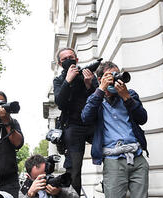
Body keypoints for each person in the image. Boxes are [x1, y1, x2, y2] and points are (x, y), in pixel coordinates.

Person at [81, 61, 149, 198]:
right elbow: (86, 118)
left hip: (137, 158)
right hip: (113, 160)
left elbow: (143, 119)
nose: (114, 78)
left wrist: (127, 98)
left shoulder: (130, 94)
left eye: (116, 75)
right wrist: (100, 90)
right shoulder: (95, 100)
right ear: (100, 79)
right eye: (109, 76)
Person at [53, 47, 98, 195]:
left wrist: (89, 84)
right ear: (60, 64)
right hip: (72, 127)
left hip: (93, 124)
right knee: (74, 169)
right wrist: (68, 81)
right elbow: (60, 102)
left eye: (71, 57)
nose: (68, 60)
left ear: (77, 59)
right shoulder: (59, 80)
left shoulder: (88, 74)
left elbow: (98, 98)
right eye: (64, 59)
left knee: (109, 155)